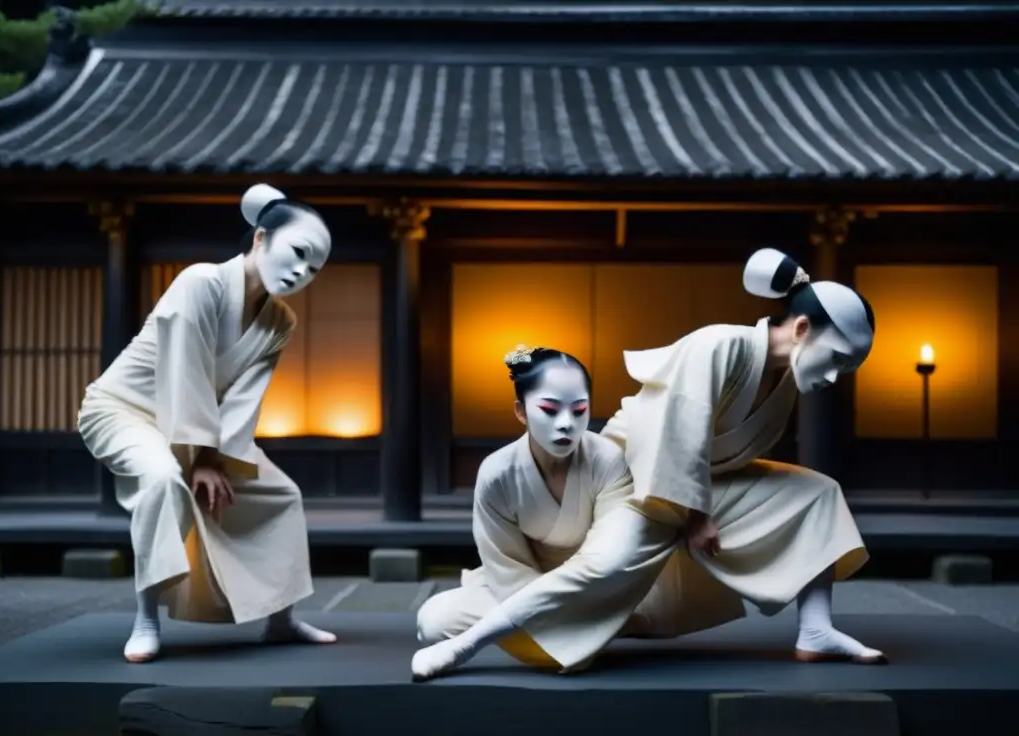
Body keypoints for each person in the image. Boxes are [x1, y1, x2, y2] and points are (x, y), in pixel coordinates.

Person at [411, 247, 883, 680]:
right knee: (601, 567)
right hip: (638, 479)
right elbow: (679, 429)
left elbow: (717, 453)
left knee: (817, 493)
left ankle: (815, 630)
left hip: (694, 483)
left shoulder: (780, 380)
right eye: (838, 358)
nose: (836, 375)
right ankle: (467, 644)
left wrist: (706, 507)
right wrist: (697, 516)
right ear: (801, 330)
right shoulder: (722, 345)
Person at [77, 183, 337, 663]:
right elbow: (185, 369)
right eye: (298, 253)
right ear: (260, 239)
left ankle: (280, 621)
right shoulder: (202, 281)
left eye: (314, 268)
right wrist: (201, 458)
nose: (302, 271)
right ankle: (146, 618)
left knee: (281, 495)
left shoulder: (280, 320)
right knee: (162, 481)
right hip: (123, 410)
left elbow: (244, 397)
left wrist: (212, 456)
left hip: (198, 428)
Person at [415, 345, 691, 669]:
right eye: (549, 409)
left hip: (599, 589)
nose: (565, 424)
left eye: (579, 411)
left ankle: (569, 633)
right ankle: (580, 634)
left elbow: (609, 560)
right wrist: (553, 612)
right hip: (523, 594)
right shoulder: (497, 474)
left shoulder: (606, 460)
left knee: (637, 592)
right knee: (431, 620)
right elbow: (507, 569)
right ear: (520, 411)